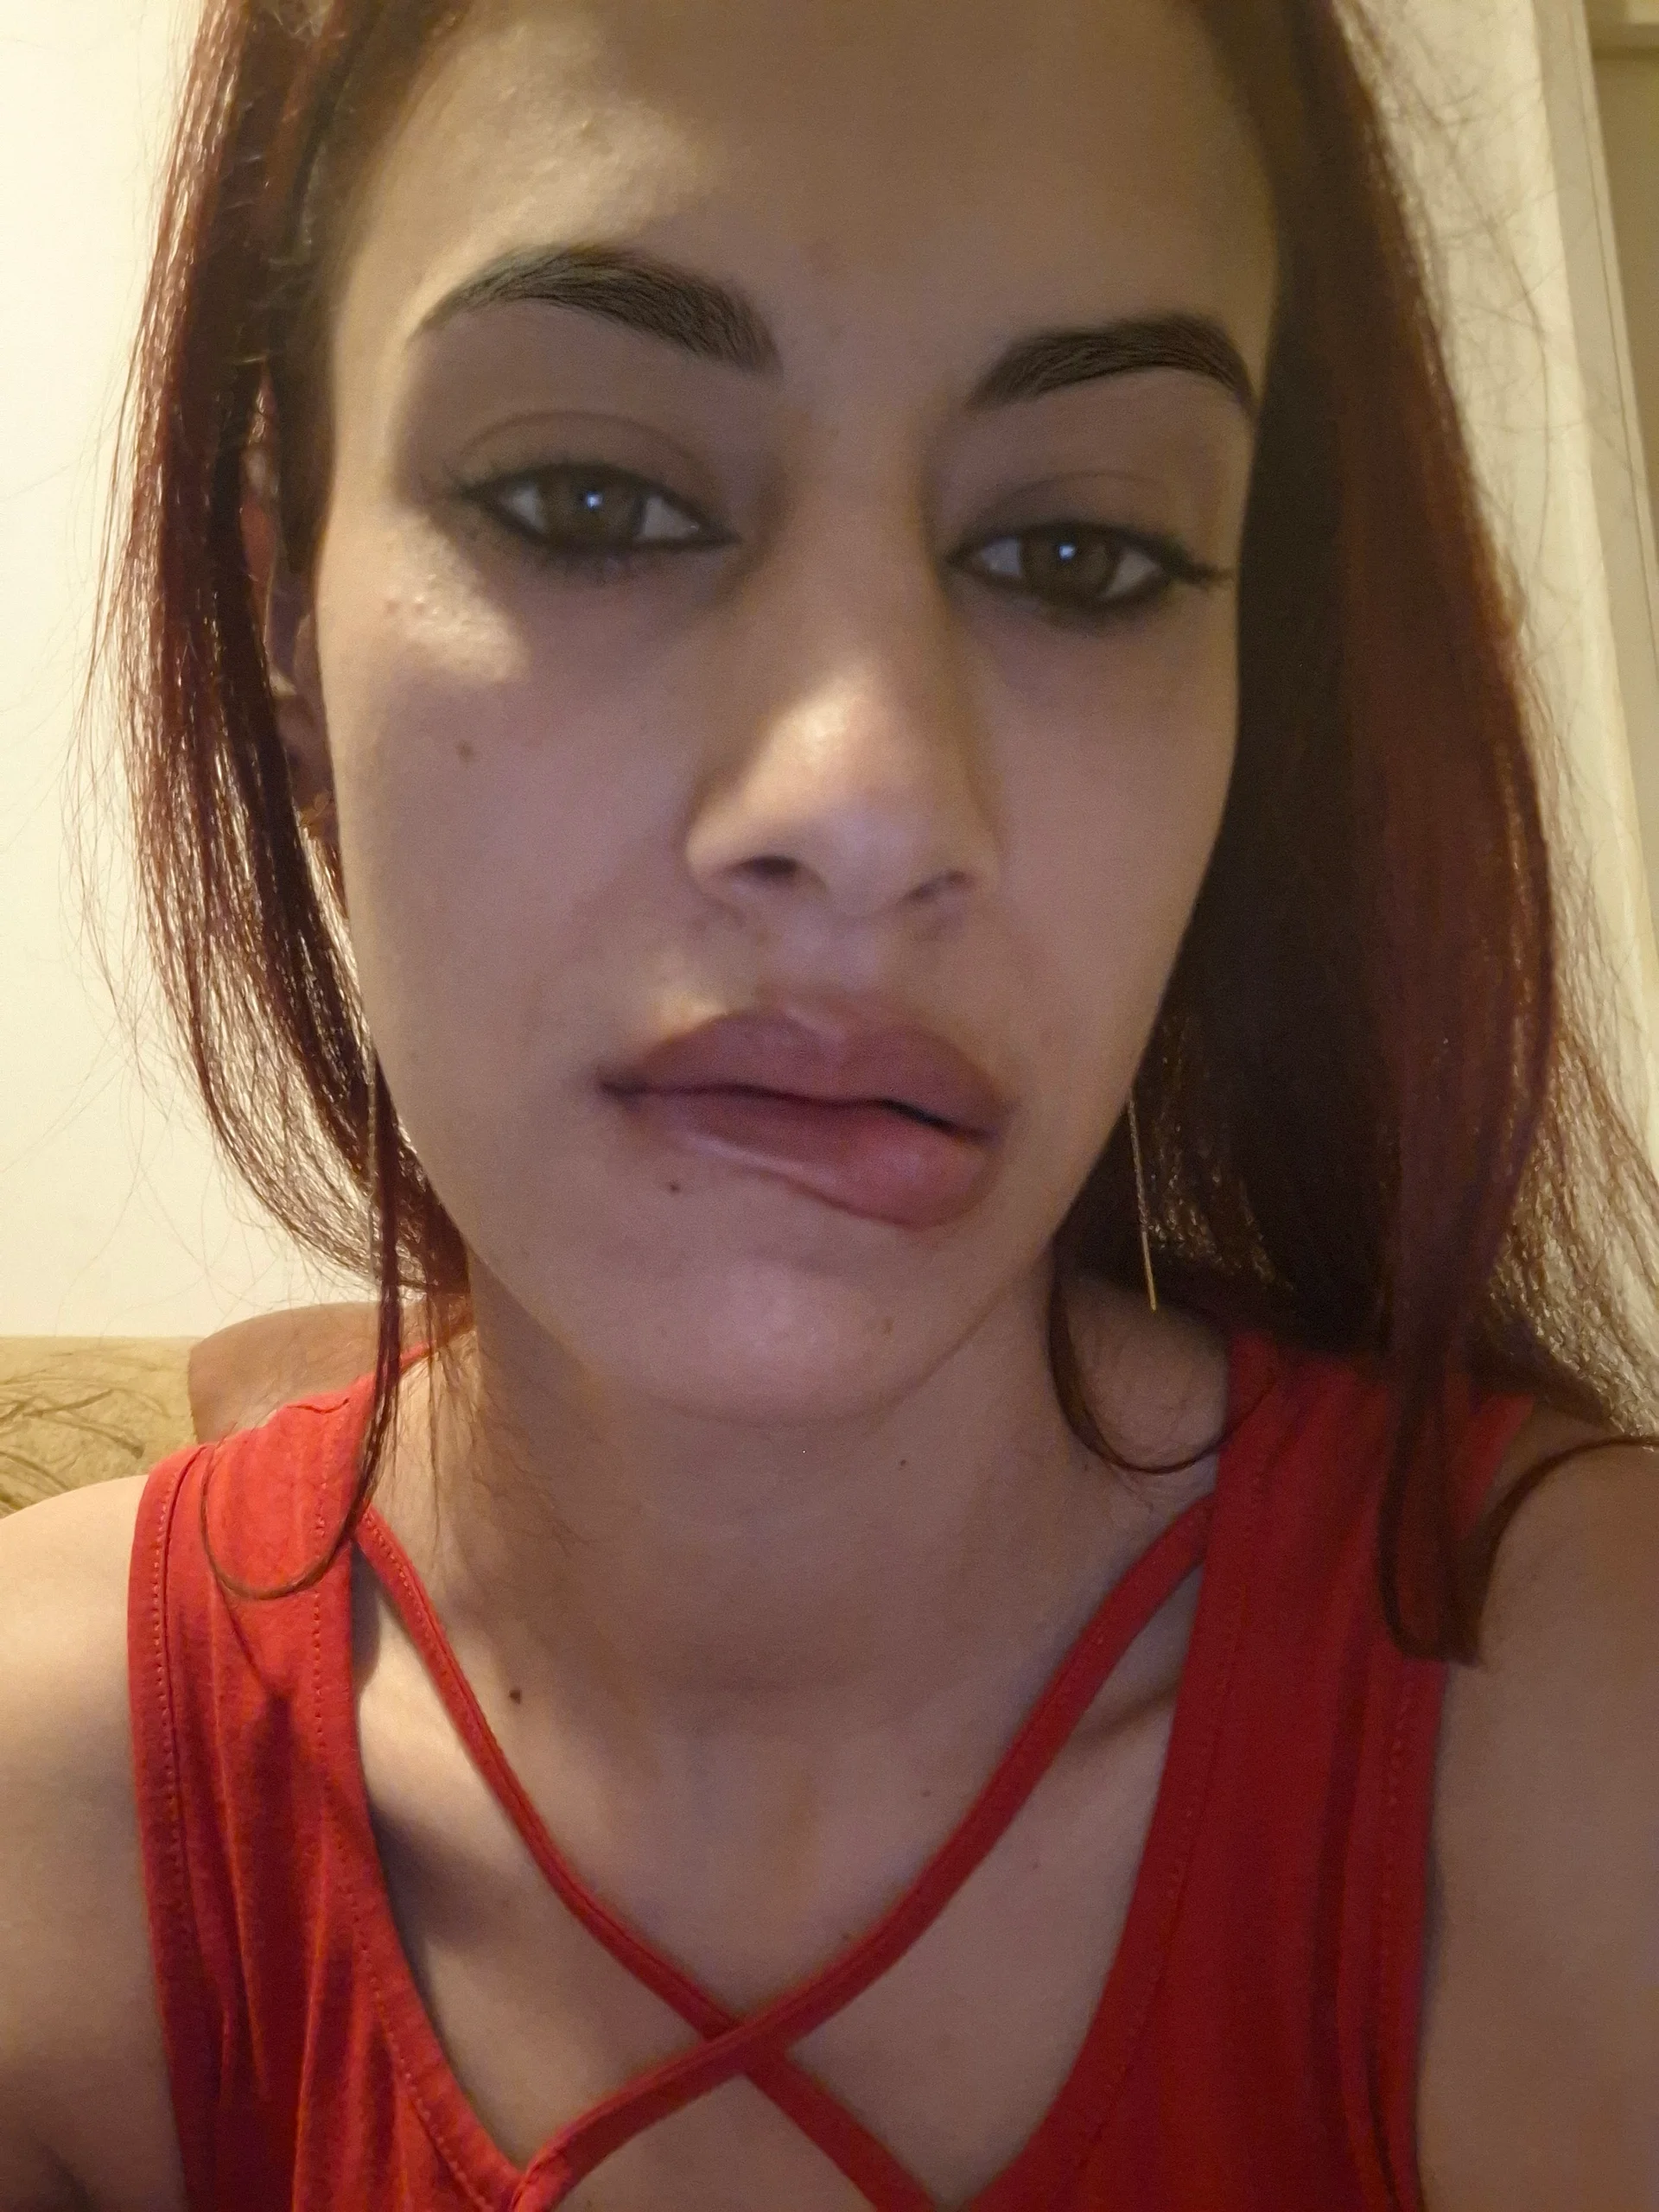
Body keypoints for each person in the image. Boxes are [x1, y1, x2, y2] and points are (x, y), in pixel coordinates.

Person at [2, 0, 1656, 2204]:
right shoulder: (50, 1818)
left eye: (1082, 553)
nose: (867, 802)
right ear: (284, 622)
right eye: (593, 499)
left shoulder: (1571, 1722)